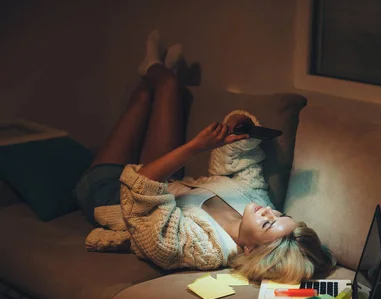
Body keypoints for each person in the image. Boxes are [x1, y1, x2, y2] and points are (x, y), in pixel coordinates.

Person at [75, 31, 335, 283]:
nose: (267, 211)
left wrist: (197, 147)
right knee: (162, 91)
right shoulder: (255, 201)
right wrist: (239, 125)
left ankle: (154, 68)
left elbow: (143, 193)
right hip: (164, 175)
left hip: (110, 192)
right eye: (279, 215)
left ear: (250, 250)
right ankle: (155, 71)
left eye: (267, 224)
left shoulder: (202, 248)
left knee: (153, 93)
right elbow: (239, 160)